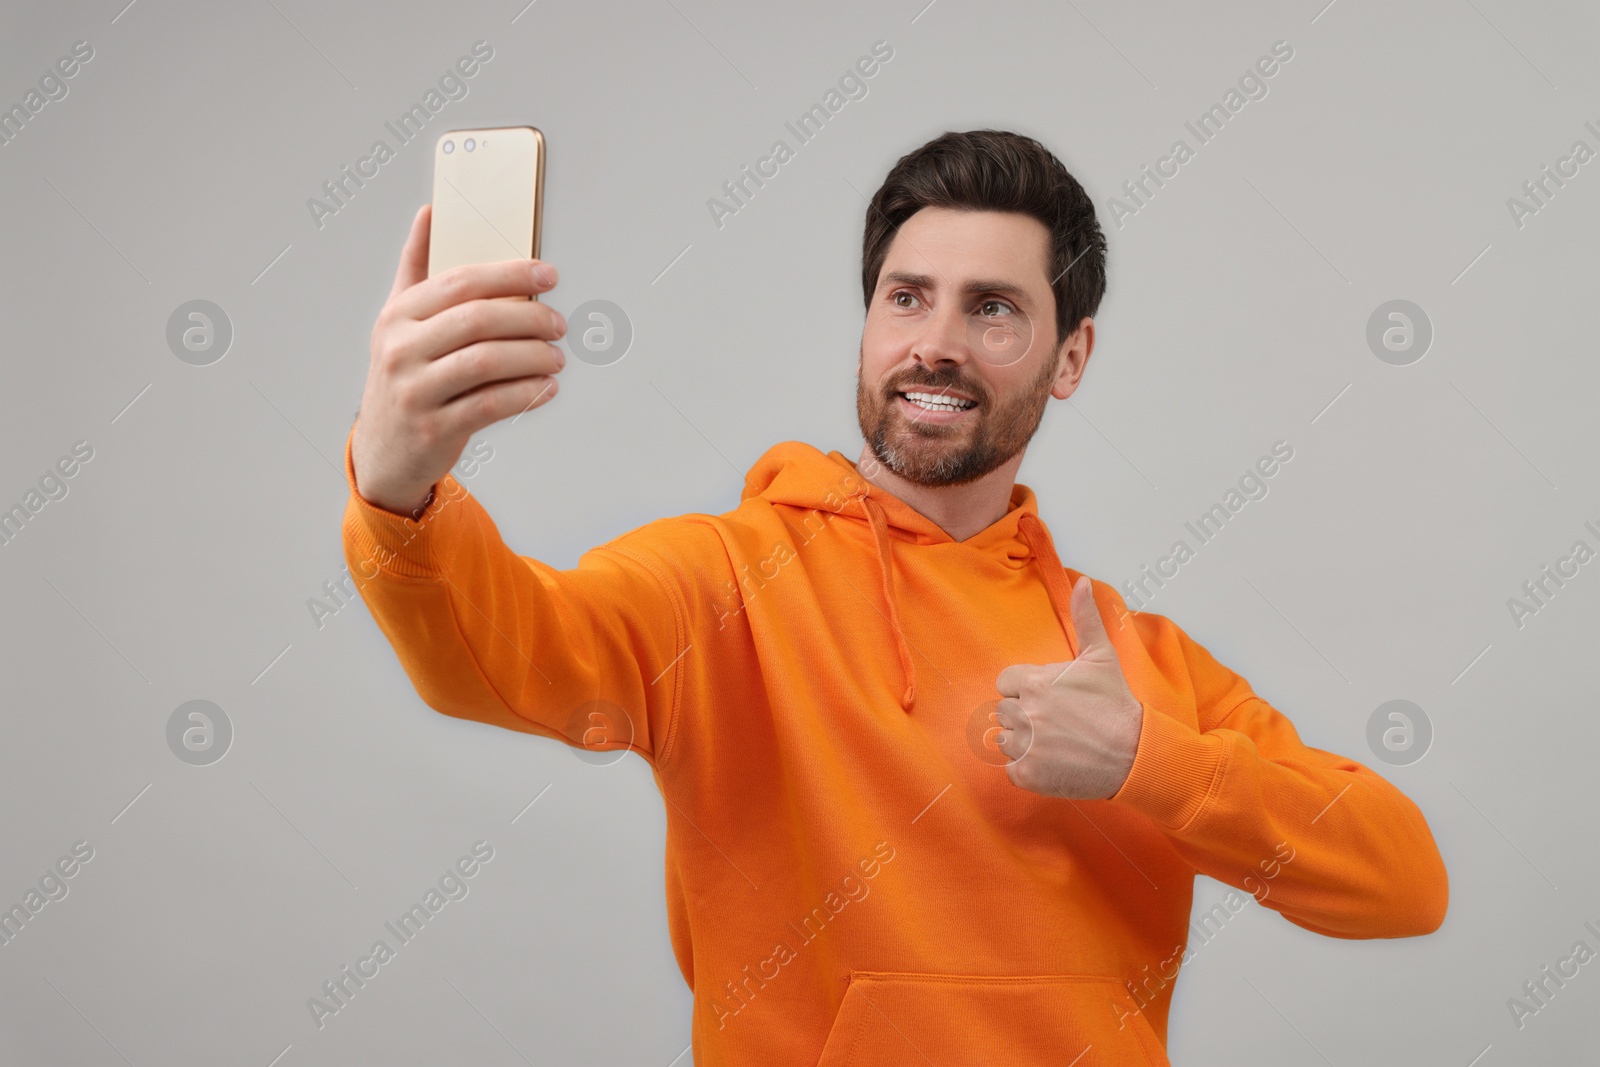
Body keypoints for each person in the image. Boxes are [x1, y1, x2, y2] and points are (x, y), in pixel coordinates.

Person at [341, 129, 1448, 1066]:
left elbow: (1403, 880)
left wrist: (1146, 762)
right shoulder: (723, 582)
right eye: (905, 297)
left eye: (994, 310)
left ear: (1070, 358)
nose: (934, 342)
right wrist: (398, 485)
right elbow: (500, 655)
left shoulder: (1127, 659)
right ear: (867, 320)